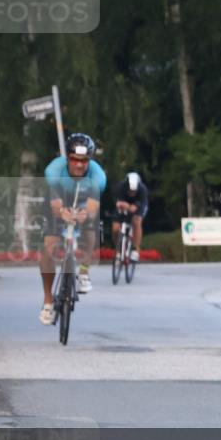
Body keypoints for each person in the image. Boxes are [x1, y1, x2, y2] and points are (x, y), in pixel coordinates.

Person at [38, 133, 107, 325]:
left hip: (84, 200)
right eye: (75, 160)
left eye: (84, 161)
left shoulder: (98, 176)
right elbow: (54, 204)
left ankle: (84, 272)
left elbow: (93, 207)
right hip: (59, 201)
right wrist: (62, 212)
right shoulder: (54, 171)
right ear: (67, 158)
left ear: (89, 160)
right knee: (48, 248)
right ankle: (48, 301)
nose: (79, 165)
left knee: (91, 228)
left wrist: (85, 214)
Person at [113, 172, 149, 261]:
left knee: (136, 220)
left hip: (138, 206)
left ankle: (135, 249)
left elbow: (135, 207)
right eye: (130, 191)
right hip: (123, 204)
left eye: (134, 191)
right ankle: (119, 248)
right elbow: (117, 201)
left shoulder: (142, 189)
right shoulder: (120, 187)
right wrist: (119, 204)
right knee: (115, 228)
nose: (132, 193)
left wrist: (131, 206)